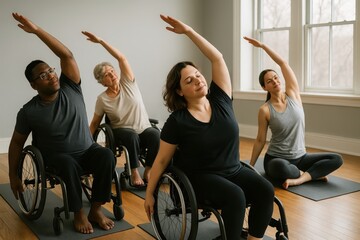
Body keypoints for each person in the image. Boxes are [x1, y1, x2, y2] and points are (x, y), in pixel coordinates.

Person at [144, 15, 274, 240]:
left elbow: (217, 57)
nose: (197, 80)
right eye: (189, 81)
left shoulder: (221, 98)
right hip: (200, 179)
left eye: (197, 75)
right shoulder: (178, 121)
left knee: (265, 189)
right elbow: (162, 161)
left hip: (233, 169)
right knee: (236, 196)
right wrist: (150, 194)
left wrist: (188, 31)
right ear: (179, 92)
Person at [8, 13, 116, 234]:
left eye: (51, 70)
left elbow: (66, 55)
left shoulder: (72, 87)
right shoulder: (29, 111)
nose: (51, 75)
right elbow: (17, 144)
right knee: (68, 164)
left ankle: (95, 209)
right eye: (43, 75)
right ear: (33, 85)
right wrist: (13, 175)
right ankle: (78, 213)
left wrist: (37, 30)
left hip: (87, 150)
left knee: (106, 155)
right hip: (58, 159)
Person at [244, 36, 343, 189]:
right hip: (276, 159)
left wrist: (263, 46)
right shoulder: (264, 110)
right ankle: (311, 174)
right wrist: (250, 167)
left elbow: (283, 63)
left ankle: (300, 178)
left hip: (301, 157)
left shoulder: (293, 95)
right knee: (280, 167)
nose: (275, 81)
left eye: (276, 78)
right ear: (264, 87)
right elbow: (260, 140)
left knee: (336, 159)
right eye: (269, 81)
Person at [82, 31, 160, 187]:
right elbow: (95, 123)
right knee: (131, 136)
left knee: (155, 134)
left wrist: (101, 41)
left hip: (143, 128)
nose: (112, 74)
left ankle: (149, 170)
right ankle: (135, 172)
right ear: (102, 82)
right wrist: (86, 144)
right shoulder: (102, 99)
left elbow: (121, 58)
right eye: (106, 74)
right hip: (122, 132)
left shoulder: (128, 83)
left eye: (112, 70)